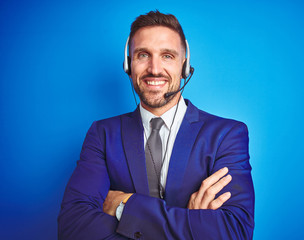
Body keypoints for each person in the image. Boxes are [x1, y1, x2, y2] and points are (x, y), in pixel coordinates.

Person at [58, 10, 254, 240]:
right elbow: (73, 228)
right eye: (143, 55)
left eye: (167, 56)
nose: (154, 69)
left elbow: (235, 232)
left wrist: (125, 205)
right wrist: (191, 224)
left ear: (184, 65)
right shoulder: (102, 134)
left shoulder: (226, 135)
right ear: (128, 65)